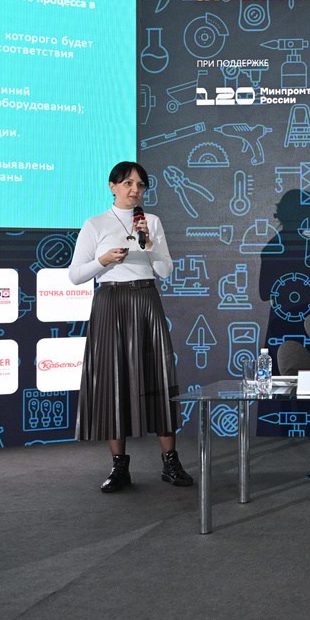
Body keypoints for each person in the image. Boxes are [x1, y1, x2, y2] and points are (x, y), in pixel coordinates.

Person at [69, 162, 192, 493]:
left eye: (140, 185)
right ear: (112, 186)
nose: (135, 189)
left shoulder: (151, 222)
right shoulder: (95, 224)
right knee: (113, 379)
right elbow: (75, 275)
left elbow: (165, 271)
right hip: (110, 303)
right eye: (127, 183)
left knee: (158, 377)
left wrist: (148, 244)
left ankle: (170, 462)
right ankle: (119, 466)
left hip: (146, 300)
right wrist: (104, 260)